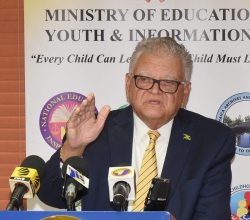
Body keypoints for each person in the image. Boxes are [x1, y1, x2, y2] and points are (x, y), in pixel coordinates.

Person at [37, 37, 236, 219]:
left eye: (168, 82)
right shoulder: (96, 131)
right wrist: (73, 149)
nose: (155, 90)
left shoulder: (212, 141)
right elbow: (50, 197)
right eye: (145, 79)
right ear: (128, 84)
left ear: (185, 92)